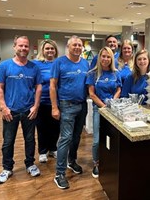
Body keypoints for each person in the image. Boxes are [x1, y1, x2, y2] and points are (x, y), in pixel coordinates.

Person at [0, 35, 42, 184]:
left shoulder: (34, 67)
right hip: (11, 111)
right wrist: (3, 107)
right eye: (21, 45)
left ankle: (30, 164)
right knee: (8, 141)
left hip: (29, 110)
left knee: (30, 140)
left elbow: (39, 86)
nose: (23, 48)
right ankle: (7, 168)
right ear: (14, 47)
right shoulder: (5, 65)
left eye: (26, 46)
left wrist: (36, 106)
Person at [50, 35, 89, 189]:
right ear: (68, 46)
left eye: (80, 45)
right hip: (66, 105)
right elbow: (52, 85)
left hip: (82, 105)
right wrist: (54, 107)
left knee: (76, 137)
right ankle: (59, 173)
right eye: (75, 45)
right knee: (65, 138)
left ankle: (71, 161)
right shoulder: (59, 62)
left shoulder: (85, 63)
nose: (77, 47)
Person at [86, 47, 122, 178]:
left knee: (112, 138)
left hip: (113, 110)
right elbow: (92, 94)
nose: (106, 59)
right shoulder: (92, 73)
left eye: (108, 57)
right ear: (99, 57)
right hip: (99, 110)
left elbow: (118, 89)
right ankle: (96, 163)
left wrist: (112, 102)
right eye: (103, 56)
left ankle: (110, 161)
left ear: (112, 58)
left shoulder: (116, 73)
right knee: (96, 140)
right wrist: (104, 107)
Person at [32, 39, 60, 163]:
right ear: (42, 50)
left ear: (55, 50)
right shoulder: (36, 64)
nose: (50, 51)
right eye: (47, 48)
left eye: (52, 48)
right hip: (41, 101)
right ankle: (42, 151)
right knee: (42, 127)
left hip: (56, 101)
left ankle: (53, 148)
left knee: (55, 127)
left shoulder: (58, 63)